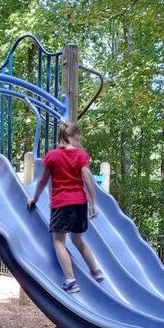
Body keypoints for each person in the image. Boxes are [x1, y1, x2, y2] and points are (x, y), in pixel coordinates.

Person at [27, 121, 104, 294]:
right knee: (78, 240)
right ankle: (96, 271)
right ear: (76, 136)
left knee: (59, 241)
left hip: (61, 203)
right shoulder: (81, 155)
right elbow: (86, 179)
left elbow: (42, 181)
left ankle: (70, 281)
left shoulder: (52, 156)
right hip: (80, 203)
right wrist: (93, 203)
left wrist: (34, 198)